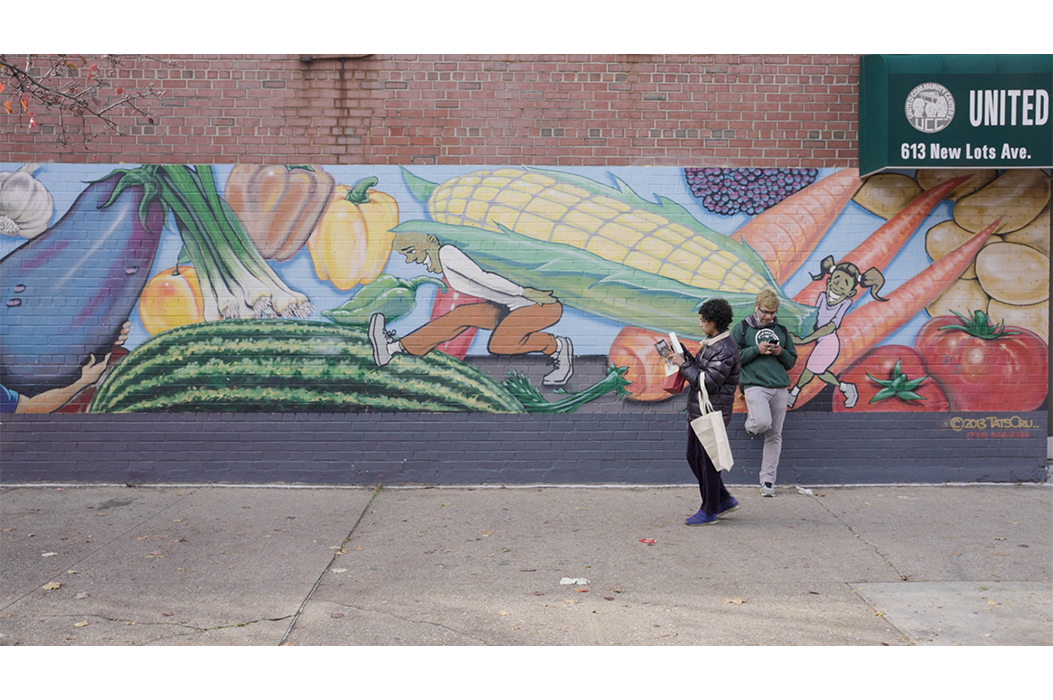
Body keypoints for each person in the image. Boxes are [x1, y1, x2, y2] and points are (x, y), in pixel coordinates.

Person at [368, 231, 574, 386]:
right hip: (509, 307)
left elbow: (483, 278)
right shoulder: (445, 264)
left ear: (429, 240)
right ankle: (391, 349)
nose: (410, 259)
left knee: (499, 345)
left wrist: (524, 291)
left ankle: (556, 346)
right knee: (459, 316)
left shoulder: (447, 253)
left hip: (538, 306)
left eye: (411, 251)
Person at [668, 298, 741, 526]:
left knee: (707, 462)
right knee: (694, 457)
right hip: (699, 411)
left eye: (702, 320)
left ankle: (709, 510)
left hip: (711, 412)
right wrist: (687, 357)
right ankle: (722, 499)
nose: (700, 324)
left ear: (713, 322)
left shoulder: (725, 349)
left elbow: (707, 381)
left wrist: (683, 364)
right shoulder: (712, 343)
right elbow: (702, 369)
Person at [789, 256, 887, 409]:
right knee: (819, 372)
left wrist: (803, 340)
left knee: (811, 369)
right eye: (836, 280)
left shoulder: (845, 303)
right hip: (820, 340)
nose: (838, 285)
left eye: (845, 283)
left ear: (851, 292)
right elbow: (814, 319)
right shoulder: (822, 297)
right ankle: (846, 388)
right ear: (828, 281)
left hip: (829, 342)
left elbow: (829, 327)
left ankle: (794, 393)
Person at [732, 289, 797, 497]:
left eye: (773, 313)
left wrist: (780, 352)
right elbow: (732, 357)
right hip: (754, 384)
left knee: (774, 435)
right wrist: (755, 350)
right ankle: (751, 426)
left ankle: (767, 481)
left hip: (779, 386)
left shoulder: (782, 331)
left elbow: (791, 362)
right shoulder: (742, 328)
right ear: (756, 307)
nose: (769, 316)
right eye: (765, 312)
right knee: (761, 422)